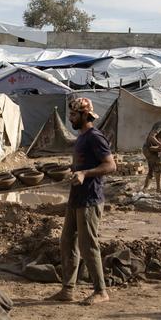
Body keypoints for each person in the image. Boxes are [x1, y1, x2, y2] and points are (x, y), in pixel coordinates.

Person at [47, 97, 116, 305]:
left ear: (86, 115)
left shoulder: (95, 137)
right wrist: (71, 171)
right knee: (67, 242)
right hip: (76, 197)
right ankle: (68, 289)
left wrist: (85, 173)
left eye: (74, 115)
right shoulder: (81, 137)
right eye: (71, 114)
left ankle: (101, 291)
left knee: (88, 246)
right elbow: (81, 164)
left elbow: (110, 165)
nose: (71, 118)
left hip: (90, 199)